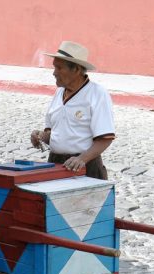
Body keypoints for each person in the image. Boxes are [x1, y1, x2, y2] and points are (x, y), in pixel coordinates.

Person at [31, 40, 115, 180]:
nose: (54, 73)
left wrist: (82, 159)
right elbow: (54, 133)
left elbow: (105, 138)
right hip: (55, 164)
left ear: (76, 69)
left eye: (59, 68)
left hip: (86, 168)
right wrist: (40, 135)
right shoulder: (59, 93)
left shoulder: (97, 94)